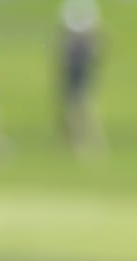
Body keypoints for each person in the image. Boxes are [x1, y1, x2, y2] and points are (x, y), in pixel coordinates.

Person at [57, 0, 102, 155]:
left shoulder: (84, 9)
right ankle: (75, 143)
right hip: (74, 69)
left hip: (80, 69)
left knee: (79, 106)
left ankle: (85, 143)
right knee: (75, 106)